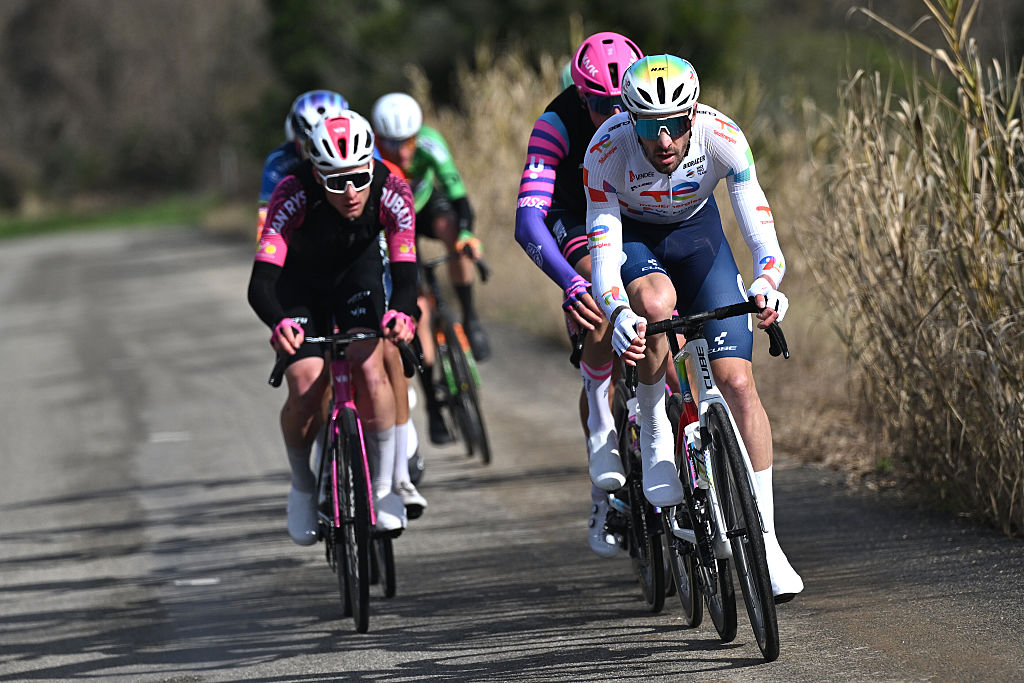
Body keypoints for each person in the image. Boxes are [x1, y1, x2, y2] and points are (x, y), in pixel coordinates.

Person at [583, 54, 803, 600]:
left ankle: (768, 542)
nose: (663, 141)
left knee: (738, 383)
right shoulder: (606, 150)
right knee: (656, 305)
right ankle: (656, 424)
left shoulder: (722, 135)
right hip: (634, 239)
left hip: (697, 237)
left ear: (694, 114)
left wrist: (767, 284)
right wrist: (617, 311)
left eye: (676, 125)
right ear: (629, 120)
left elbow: (760, 233)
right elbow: (604, 254)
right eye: (649, 128)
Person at [247, 110, 422, 544]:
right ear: (314, 172)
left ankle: (383, 490)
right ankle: (303, 486)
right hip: (300, 285)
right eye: (335, 180)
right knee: (306, 382)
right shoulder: (292, 193)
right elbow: (261, 282)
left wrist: (403, 313)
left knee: (369, 366)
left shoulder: (392, 188)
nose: (350, 192)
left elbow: (405, 275)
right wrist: (278, 321)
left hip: (356, 278)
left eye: (359, 178)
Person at [514, 32, 643, 558]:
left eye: (620, 104)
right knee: (599, 302)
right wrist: (571, 283)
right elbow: (528, 221)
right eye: (598, 105)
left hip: (637, 214)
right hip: (577, 219)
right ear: (579, 94)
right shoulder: (555, 124)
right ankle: (601, 469)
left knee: (668, 322)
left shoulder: (649, 109)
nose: (612, 113)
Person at [371, 92, 490, 444]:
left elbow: (457, 193)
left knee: (454, 237)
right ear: (379, 140)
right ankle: (434, 410)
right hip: (389, 219)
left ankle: (470, 317)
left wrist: (466, 233)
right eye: (393, 144)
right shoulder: (373, 157)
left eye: (407, 142)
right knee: (417, 313)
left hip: (423, 207)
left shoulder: (430, 142)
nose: (404, 152)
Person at [257, 90, 349, 241]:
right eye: (311, 147)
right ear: (296, 138)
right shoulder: (279, 161)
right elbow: (267, 220)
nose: (318, 155)